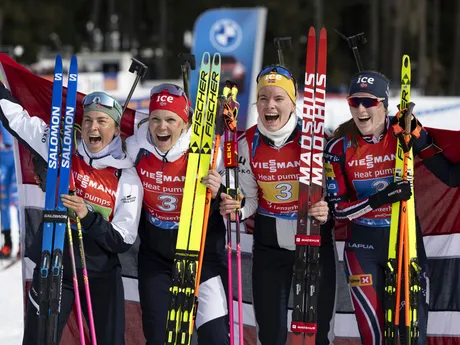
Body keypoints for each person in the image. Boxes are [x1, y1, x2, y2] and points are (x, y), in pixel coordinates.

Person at [324, 70, 460, 345]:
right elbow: (338, 211)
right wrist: (380, 199)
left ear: (384, 104)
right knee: (373, 336)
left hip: (405, 241)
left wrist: (416, 136)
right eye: (354, 101)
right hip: (363, 248)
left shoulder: (404, 131)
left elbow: (450, 176)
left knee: (412, 337)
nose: (361, 109)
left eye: (370, 102)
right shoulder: (338, 147)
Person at [0, 84, 143, 345]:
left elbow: (123, 239)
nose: (93, 127)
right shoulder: (61, 149)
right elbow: (18, 120)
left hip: (99, 272)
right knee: (38, 339)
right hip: (55, 265)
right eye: (88, 120)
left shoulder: (127, 176)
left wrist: (86, 215)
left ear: (115, 129)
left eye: (102, 121)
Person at [219, 65, 335, 345]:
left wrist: (326, 210)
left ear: (293, 103)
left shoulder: (317, 141)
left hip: (313, 242)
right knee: (271, 334)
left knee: (316, 335)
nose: (270, 105)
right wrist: (237, 209)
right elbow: (250, 200)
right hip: (269, 246)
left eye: (278, 98)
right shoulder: (245, 143)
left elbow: (336, 195)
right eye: (263, 98)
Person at [126, 83, 229, 345]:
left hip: (203, 259)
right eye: (156, 119)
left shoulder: (208, 152)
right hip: (157, 259)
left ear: (184, 123)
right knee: (160, 339)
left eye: (171, 119)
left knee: (214, 338)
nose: (162, 127)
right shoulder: (133, 149)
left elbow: (238, 197)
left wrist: (221, 190)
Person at [0, 121, 19, 258]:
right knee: (3, 204)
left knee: (18, 202)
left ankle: (22, 243)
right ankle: (8, 242)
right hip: (2, 163)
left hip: (15, 160)